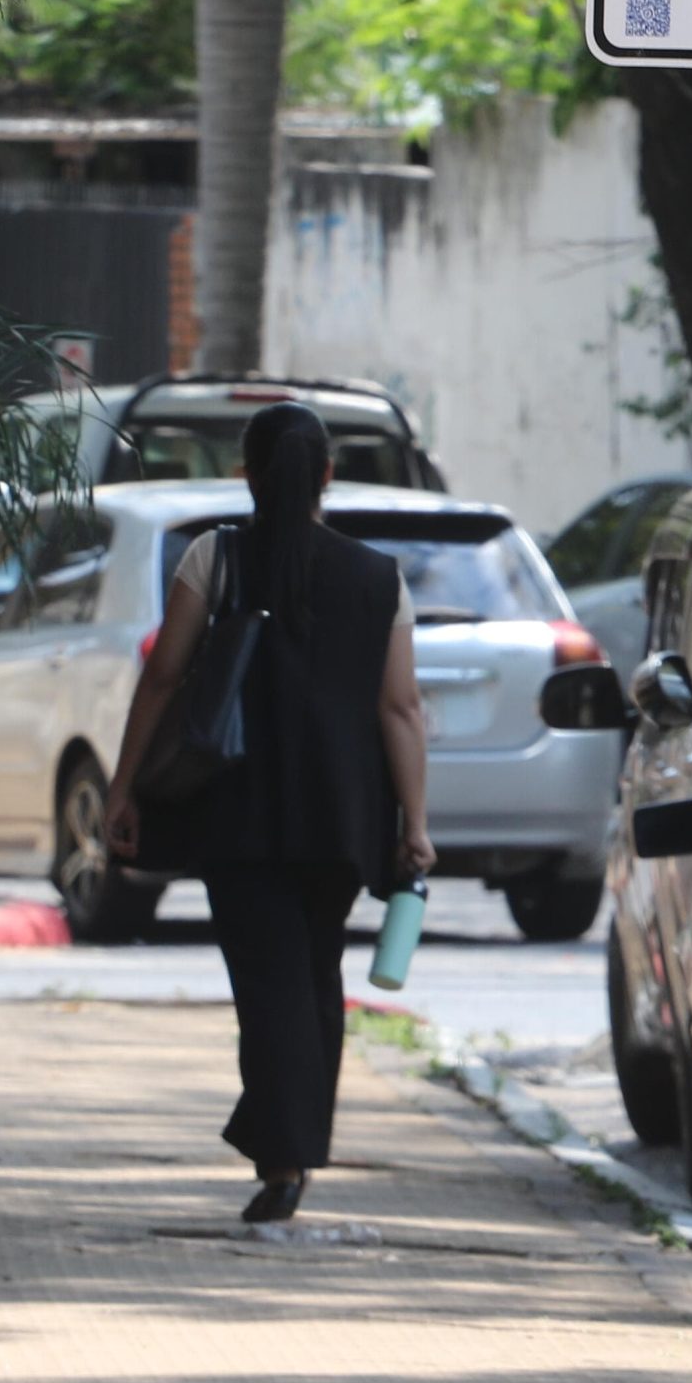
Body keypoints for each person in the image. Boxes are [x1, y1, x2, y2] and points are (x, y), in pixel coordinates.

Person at [105, 403, 434, 1223]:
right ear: (327, 474)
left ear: (246, 472)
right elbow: (401, 710)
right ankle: (289, 1142)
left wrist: (124, 787)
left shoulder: (216, 558)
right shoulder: (376, 575)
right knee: (313, 974)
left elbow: (164, 678)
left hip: (239, 812)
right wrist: (415, 827)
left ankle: (285, 1156)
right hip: (344, 816)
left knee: (271, 983)